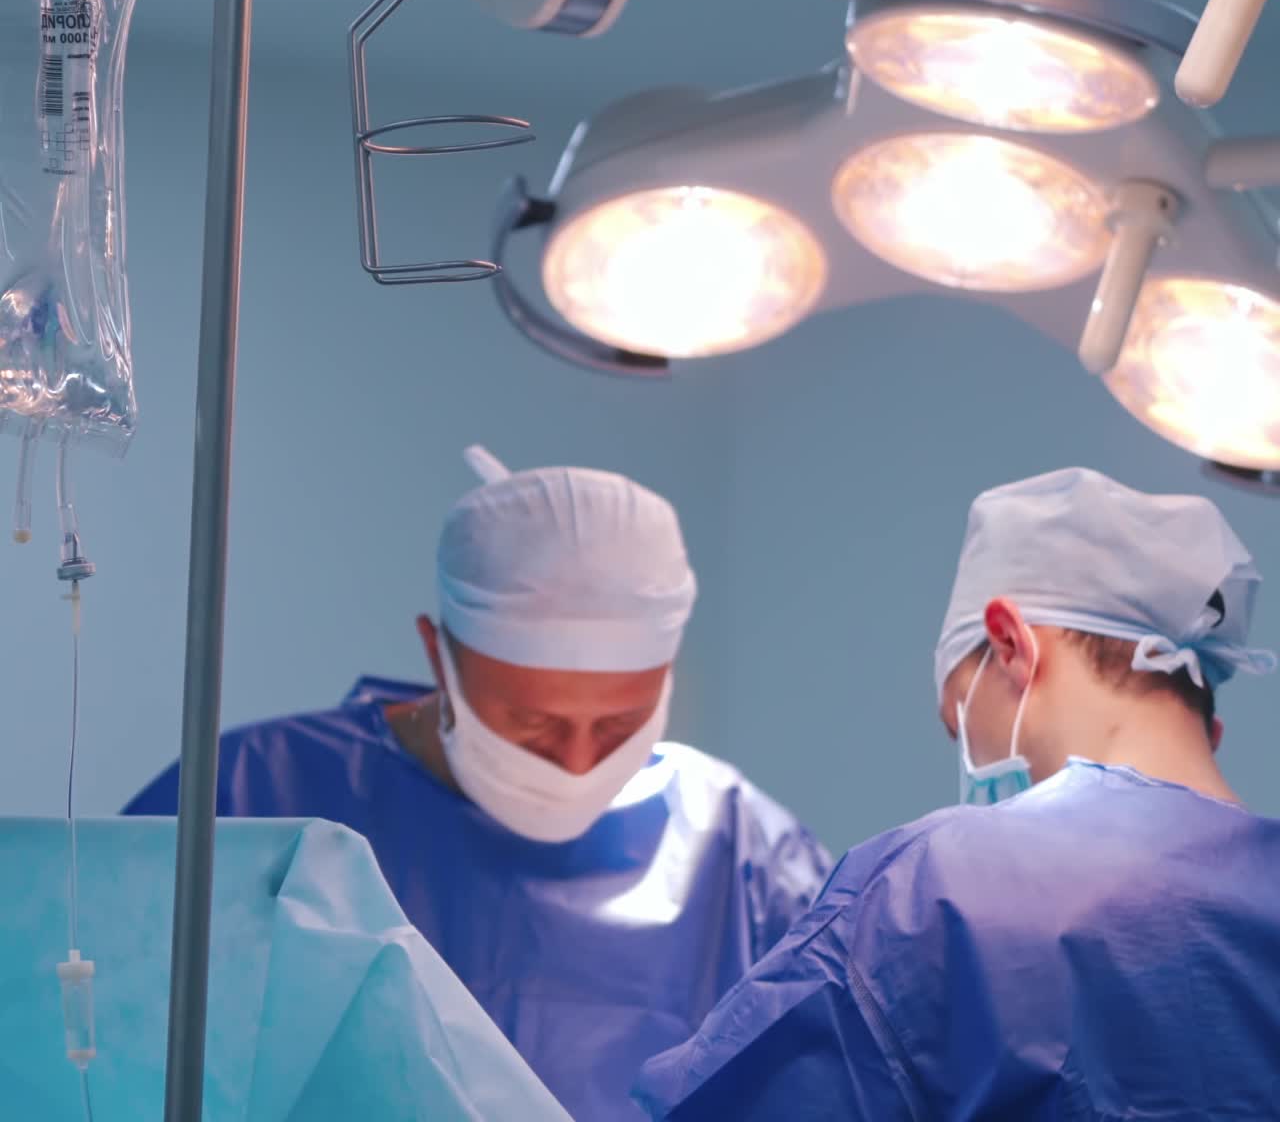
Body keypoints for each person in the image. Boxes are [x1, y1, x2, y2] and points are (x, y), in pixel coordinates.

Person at [126, 444, 831, 1122]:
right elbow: (101, 1041)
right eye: (533, 723)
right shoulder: (251, 799)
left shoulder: (744, 854)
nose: (578, 761)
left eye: (619, 723)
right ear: (439, 655)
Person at [635, 467, 1280, 1121]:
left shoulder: (942, 892)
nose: (973, 761)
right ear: (1208, 728)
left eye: (960, 728)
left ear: (1010, 643)